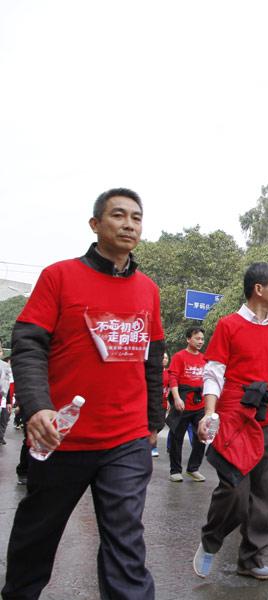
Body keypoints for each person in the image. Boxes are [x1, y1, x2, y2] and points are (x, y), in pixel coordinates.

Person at [3, 188, 165, 600]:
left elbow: (152, 357)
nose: (129, 224)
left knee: (126, 543)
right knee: (37, 535)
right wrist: (37, 407)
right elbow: (28, 344)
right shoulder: (59, 277)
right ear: (95, 224)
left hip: (126, 439)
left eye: (136, 218)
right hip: (62, 436)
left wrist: (153, 421)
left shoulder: (148, 289)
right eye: (118, 215)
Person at [193, 262, 268, 581]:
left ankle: (250, 559)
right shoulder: (229, 325)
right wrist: (209, 413)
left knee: (264, 494)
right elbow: (214, 373)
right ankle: (211, 540)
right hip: (235, 417)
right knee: (234, 490)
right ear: (259, 289)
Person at [166, 327, 208, 481]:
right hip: (182, 403)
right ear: (188, 339)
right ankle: (175, 471)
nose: (200, 342)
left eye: (202, 339)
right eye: (197, 338)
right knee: (176, 438)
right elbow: (173, 378)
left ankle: (193, 468)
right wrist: (177, 398)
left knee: (202, 436)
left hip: (199, 404)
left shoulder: (204, 358)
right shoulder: (179, 356)